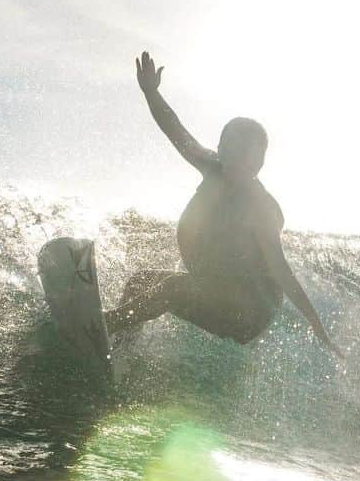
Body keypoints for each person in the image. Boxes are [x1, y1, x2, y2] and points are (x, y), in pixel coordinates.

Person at [104, 51, 342, 360]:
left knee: (172, 288)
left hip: (248, 312)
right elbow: (175, 130)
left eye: (248, 153)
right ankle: (118, 352)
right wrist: (151, 92)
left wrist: (315, 322)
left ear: (260, 161)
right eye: (231, 148)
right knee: (142, 282)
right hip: (215, 289)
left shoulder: (261, 207)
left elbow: (280, 269)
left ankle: (103, 323)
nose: (239, 159)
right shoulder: (212, 166)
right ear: (220, 149)